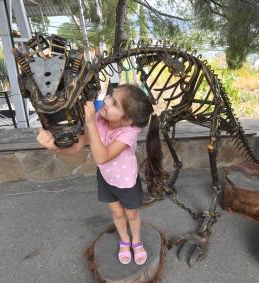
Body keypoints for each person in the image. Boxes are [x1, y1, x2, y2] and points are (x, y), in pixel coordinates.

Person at [37, 84, 165, 265]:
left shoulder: (129, 132)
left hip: (127, 182)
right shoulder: (99, 118)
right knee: (117, 212)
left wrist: (90, 122)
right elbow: (78, 146)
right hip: (106, 178)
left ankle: (136, 241)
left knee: (132, 214)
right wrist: (54, 147)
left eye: (114, 103)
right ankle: (124, 241)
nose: (105, 101)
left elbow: (102, 157)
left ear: (127, 120)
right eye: (110, 96)